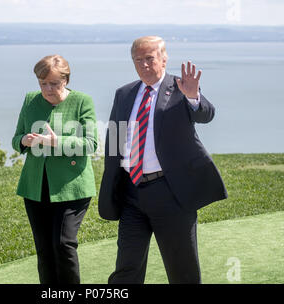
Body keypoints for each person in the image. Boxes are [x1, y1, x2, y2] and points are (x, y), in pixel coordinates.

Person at [98, 36, 228, 284]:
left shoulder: (181, 88)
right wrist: (112, 184)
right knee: (126, 268)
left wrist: (193, 97)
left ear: (164, 58)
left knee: (183, 270)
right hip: (131, 194)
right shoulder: (124, 93)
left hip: (171, 193)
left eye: (150, 58)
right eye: (138, 59)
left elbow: (206, 114)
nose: (144, 64)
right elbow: (114, 141)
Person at [12, 54, 97, 284]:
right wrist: (25, 141)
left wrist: (56, 141)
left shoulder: (82, 101)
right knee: (44, 249)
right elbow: (16, 138)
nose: (48, 89)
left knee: (63, 244)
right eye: (43, 84)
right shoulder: (31, 100)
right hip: (36, 187)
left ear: (66, 80)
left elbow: (91, 144)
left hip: (72, 187)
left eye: (54, 83)